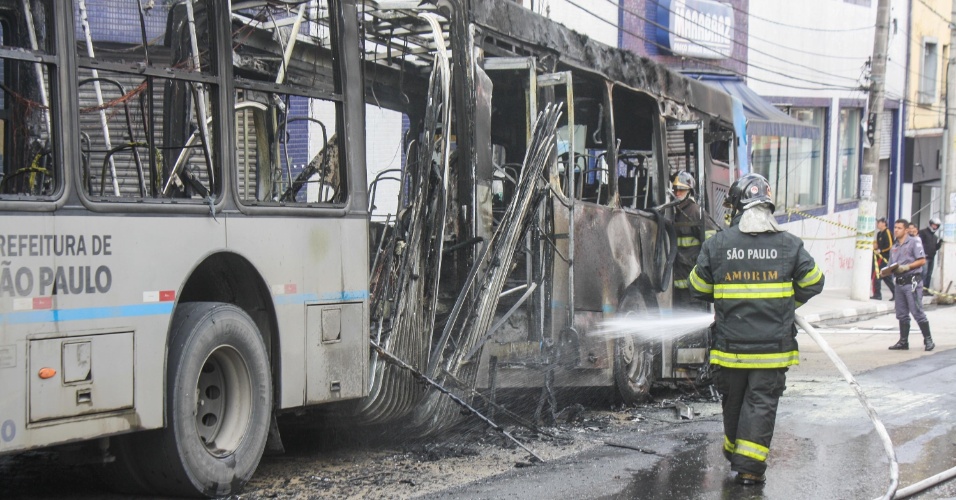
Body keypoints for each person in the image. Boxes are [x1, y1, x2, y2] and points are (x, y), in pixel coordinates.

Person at [689, 173, 824, 486]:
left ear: (737, 207)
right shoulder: (789, 244)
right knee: (761, 403)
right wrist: (785, 303)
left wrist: (724, 292)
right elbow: (814, 281)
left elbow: (697, 286)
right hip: (772, 349)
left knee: (733, 400)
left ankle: (735, 450)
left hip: (730, 347)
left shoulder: (718, 243)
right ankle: (749, 468)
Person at [885, 218, 935, 351]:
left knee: (917, 311)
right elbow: (891, 264)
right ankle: (903, 341)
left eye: (899, 228)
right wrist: (886, 271)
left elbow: (922, 260)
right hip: (899, 283)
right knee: (901, 313)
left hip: (912, 281)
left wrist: (906, 267)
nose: (896, 230)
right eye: (895, 227)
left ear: (906, 230)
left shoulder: (914, 242)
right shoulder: (894, 247)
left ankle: (928, 340)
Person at [671, 171, 717, 310]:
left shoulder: (696, 213)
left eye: (681, 189)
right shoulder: (676, 214)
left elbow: (712, 243)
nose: (677, 193)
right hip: (679, 287)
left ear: (689, 191)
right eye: (675, 189)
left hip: (693, 286)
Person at [872, 218, 895, 301]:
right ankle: (895, 293)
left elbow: (890, 245)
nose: (877, 224)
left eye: (879, 222)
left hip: (884, 257)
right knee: (885, 276)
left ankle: (877, 294)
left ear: (884, 223)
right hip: (878, 257)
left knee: (876, 274)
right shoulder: (879, 234)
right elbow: (878, 245)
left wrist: (881, 250)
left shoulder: (887, 232)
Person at [918, 217, 942, 286]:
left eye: (936, 226)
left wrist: (939, 243)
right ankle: (920, 288)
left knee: (929, 274)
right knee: (923, 273)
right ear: (930, 224)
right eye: (933, 225)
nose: (934, 227)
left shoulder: (935, 237)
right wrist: (921, 254)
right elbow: (919, 244)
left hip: (932, 257)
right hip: (924, 257)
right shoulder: (923, 232)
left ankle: (926, 289)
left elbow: (935, 248)